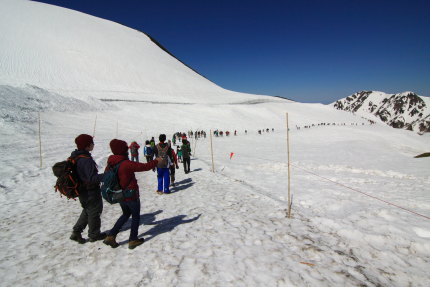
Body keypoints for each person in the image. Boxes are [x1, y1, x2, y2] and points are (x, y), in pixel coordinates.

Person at [103, 139, 161, 249]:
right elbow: (144, 167)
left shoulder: (111, 162)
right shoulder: (125, 163)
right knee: (135, 216)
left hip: (119, 194)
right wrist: (156, 161)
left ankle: (111, 236)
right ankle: (133, 239)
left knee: (125, 214)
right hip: (130, 194)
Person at [69, 134, 106, 244]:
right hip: (90, 190)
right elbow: (92, 179)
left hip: (81, 190)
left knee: (87, 210)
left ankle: (76, 232)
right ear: (87, 145)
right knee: (95, 211)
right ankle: (94, 234)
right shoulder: (86, 160)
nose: (93, 145)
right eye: (92, 143)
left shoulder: (75, 156)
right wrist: (106, 176)